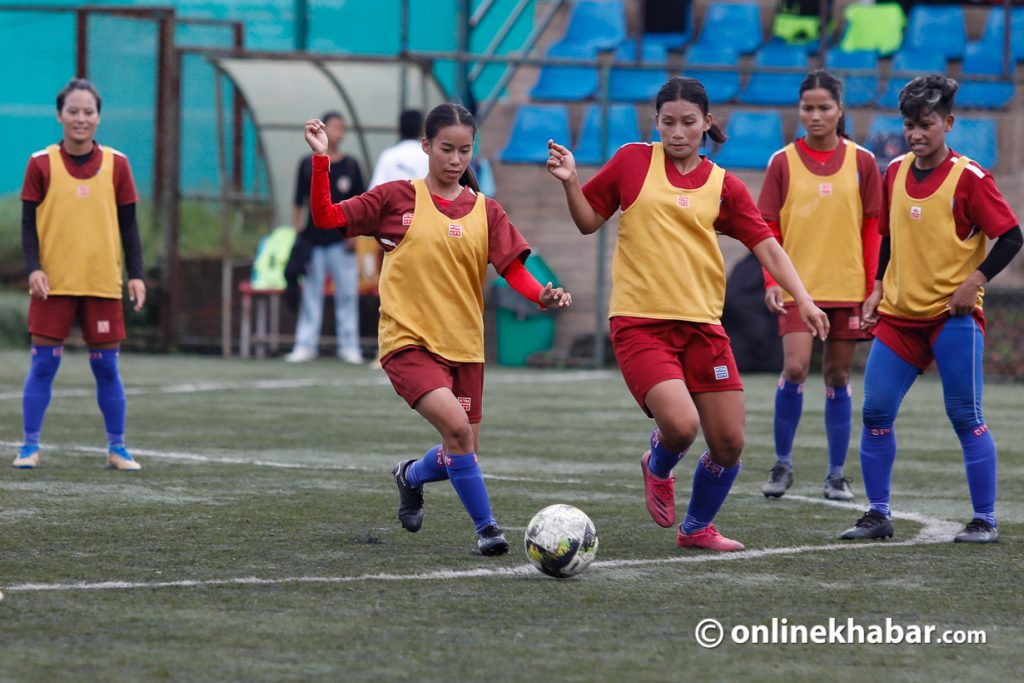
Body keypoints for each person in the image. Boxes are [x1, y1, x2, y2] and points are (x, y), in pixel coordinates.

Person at [547, 77, 828, 552]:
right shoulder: (633, 161)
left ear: (707, 124)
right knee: (680, 426)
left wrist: (804, 298)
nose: (677, 132)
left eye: (688, 122)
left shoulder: (724, 186)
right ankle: (656, 464)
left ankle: (696, 528)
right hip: (640, 323)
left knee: (730, 444)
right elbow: (587, 221)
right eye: (667, 122)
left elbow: (768, 247)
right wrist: (572, 181)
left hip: (703, 328)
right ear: (655, 122)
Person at [304, 103, 572, 555]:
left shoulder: (486, 211)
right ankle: (488, 530)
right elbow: (326, 217)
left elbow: (512, 268)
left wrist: (540, 295)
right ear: (426, 146)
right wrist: (320, 160)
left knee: (460, 450)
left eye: (465, 150)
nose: (455, 159)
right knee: (458, 431)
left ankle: (410, 475)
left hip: (465, 347)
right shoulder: (395, 198)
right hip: (407, 343)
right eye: (446, 148)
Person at [840, 75, 1022, 544]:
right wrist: (878, 286)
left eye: (926, 124)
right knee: (876, 412)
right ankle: (877, 514)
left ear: (948, 123)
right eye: (909, 125)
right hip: (899, 319)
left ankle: (985, 520)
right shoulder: (894, 170)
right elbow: (888, 237)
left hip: (952, 319)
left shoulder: (970, 178)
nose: (916, 133)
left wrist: (974, 282)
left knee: (965, 415)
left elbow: (1012, 237)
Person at [757, 70, 883, 501]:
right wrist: (772, 279)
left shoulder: (863, 161)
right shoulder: (781, 161)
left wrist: (873, 286)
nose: (815, 115)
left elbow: (873, 230)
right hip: (798, 290)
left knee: (838, 374)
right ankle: (782, 464)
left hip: (848, 288)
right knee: (795, 368)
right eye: (807, 107)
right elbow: (766, 228)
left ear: (840, 110)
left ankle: (835, 474)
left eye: (824, 107)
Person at [13, 78, 145, 471]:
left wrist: (135, 274)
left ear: (98, 117)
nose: (81, 118)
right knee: (43, 365)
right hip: (53, 284)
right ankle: (29, 446)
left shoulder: (118, 164)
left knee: (106, 367)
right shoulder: (40, 162)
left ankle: (117, 448)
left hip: (103, 282)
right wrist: (33, 268)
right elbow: (27, 224)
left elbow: (130, 226)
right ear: (59, 115)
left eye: (88, 111)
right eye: (73, 111)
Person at [285, 111, 366, 364]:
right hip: (314, 241)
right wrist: (298, 233)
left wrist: (355, 235)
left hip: (341, 242)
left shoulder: (351, 165)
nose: (338, 132)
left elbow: (361, 203)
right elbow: (298, 201)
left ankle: (349, 346)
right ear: (323, 129)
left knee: (347, 294)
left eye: (342, 128)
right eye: (334, 127)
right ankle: (305, 345)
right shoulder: (307, 163)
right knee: (311, 293)